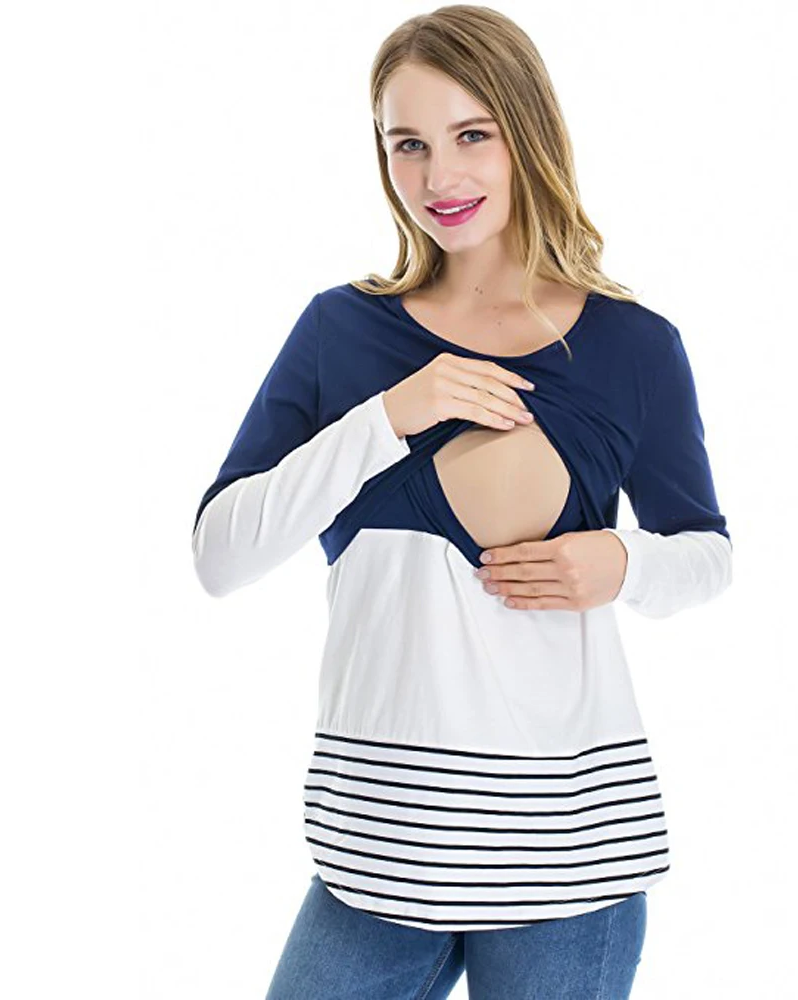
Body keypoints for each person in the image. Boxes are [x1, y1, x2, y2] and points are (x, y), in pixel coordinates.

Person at [191, 6, 732, 998]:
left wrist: (625, 565)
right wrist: (389, 414)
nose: (439, 177)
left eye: (471, 135)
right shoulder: (339, 331)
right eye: (409, 143)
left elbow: (706, 551)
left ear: (527, 133)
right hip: (374, 857)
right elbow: (220, 556)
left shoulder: (633, 345)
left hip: (565, 861)